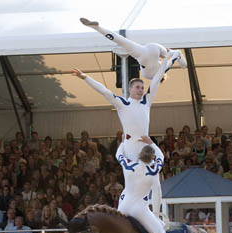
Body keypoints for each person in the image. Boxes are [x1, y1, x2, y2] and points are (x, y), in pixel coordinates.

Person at [71, 54, 171, 215]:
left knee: (155, 180)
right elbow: (104, 91)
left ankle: (157, 213)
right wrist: (85, 77)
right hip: (130, 146)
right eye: (137, 87)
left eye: (141, 87)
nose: (140, 89)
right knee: (131, 181)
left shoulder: (147, 101)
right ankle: (127, 211)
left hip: (145, 146)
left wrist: (168, 61)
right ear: (130, 89)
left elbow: (157, 79)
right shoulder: (122, 104)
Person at [116, 135, 169, 233]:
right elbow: (162, 157)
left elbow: (118, 154)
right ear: (151, 157)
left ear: (139, 155)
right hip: (140, 208)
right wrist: (150, 142)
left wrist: (123, 141)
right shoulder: (153, 170)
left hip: (123, 207)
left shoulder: (128, 165)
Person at [80, 18, 187, 80]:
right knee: (120, 40)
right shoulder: (152, 75)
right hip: (143, 55)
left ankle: (98, 27)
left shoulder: (163, 70)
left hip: (151, 50)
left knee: (119, 39)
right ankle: (97, 28)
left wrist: (182, 64)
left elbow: (177, 54)